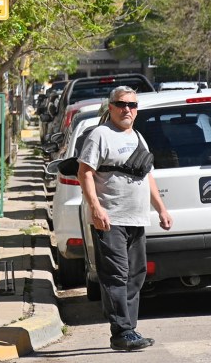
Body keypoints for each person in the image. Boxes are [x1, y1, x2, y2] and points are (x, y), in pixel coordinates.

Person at [78, 86, 172, 352]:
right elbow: (84, 172)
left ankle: (129, 328)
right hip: (111, 218)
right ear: (111, 107)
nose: (127, 109)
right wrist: (96, 208)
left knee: (136, 274)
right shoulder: (100, 134)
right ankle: (122, 331)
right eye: (121, 104)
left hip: (137, 218)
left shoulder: (138, 136)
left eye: (132, 105)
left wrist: (161, 209)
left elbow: (147, 176)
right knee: (116, 275)